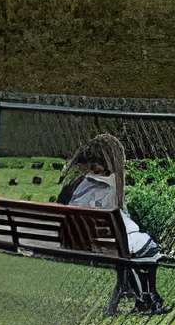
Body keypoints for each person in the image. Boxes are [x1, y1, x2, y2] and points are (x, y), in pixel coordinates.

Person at [58, 133, 169, 314]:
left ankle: (146, 299)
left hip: (78, 241)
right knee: (147, 249)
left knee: (135, 251)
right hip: (104, 243)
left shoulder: (75, 184)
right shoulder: (106, 185)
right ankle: (148, 299)